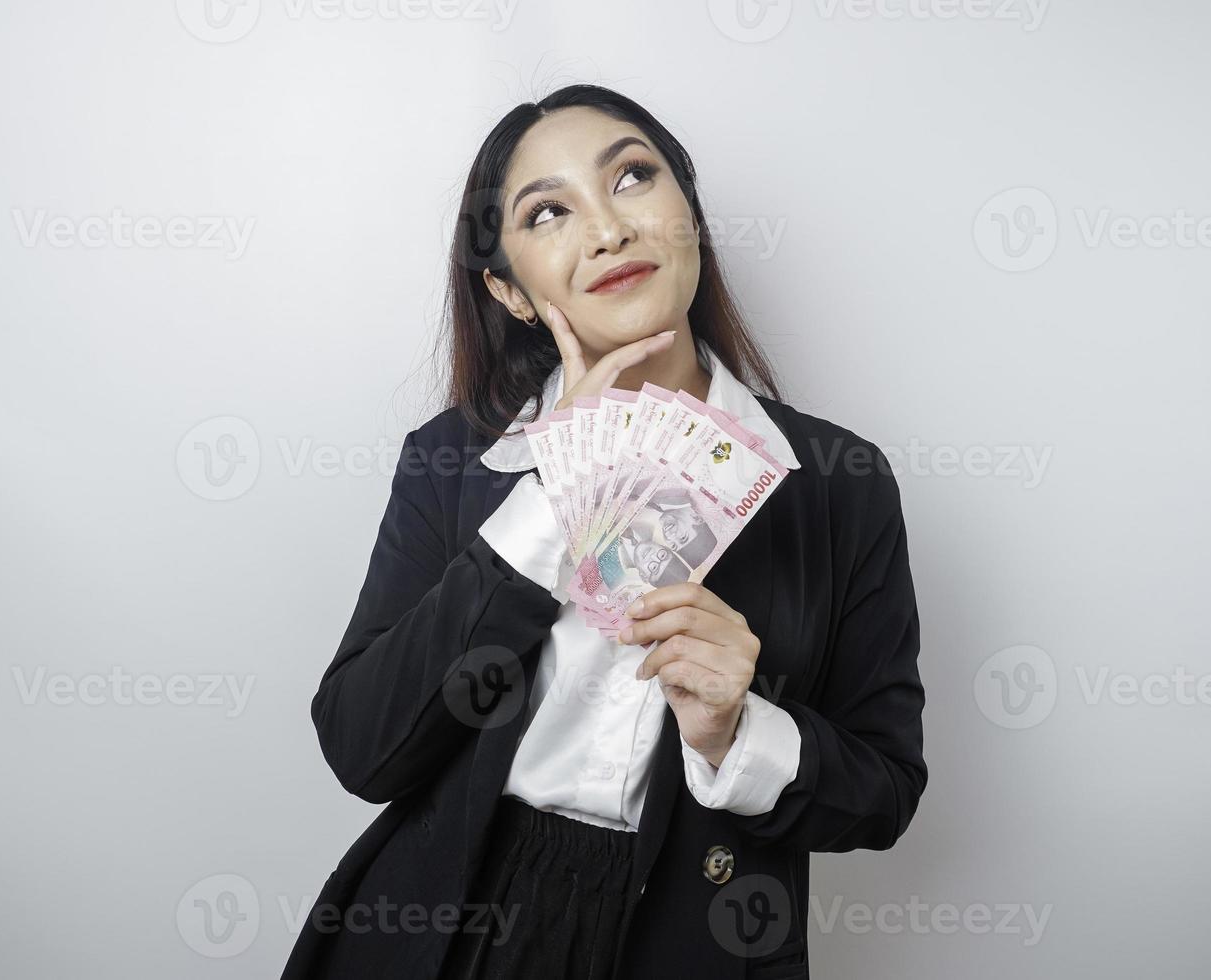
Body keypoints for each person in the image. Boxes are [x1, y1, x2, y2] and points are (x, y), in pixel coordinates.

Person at [281, 83, 927, 980]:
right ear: (507, 289)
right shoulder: (454, 461)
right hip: (446, 928)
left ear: (688, 215)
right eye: (548, 212)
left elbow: (885, 793)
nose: (607, 230)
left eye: (632, 177)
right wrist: (550, 491)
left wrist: (735, 732)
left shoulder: (836, 486)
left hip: (685, 937)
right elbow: (363, 745)